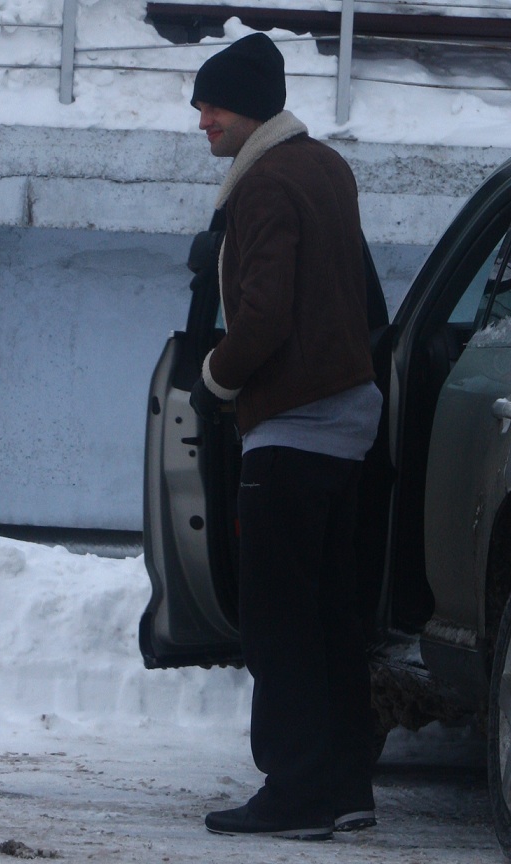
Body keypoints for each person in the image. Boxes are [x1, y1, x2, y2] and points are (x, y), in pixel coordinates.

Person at [187, 33, 382, 841]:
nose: (202, 120)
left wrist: (215, 380)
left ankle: (295, 792)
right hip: (350, 414)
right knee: (336, 614)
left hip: (294, 423)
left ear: (249, 110)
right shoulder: (325, 166)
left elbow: (262, 316)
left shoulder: (264, 185)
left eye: (212, 106)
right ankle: (345, 786)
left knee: (280, 620)